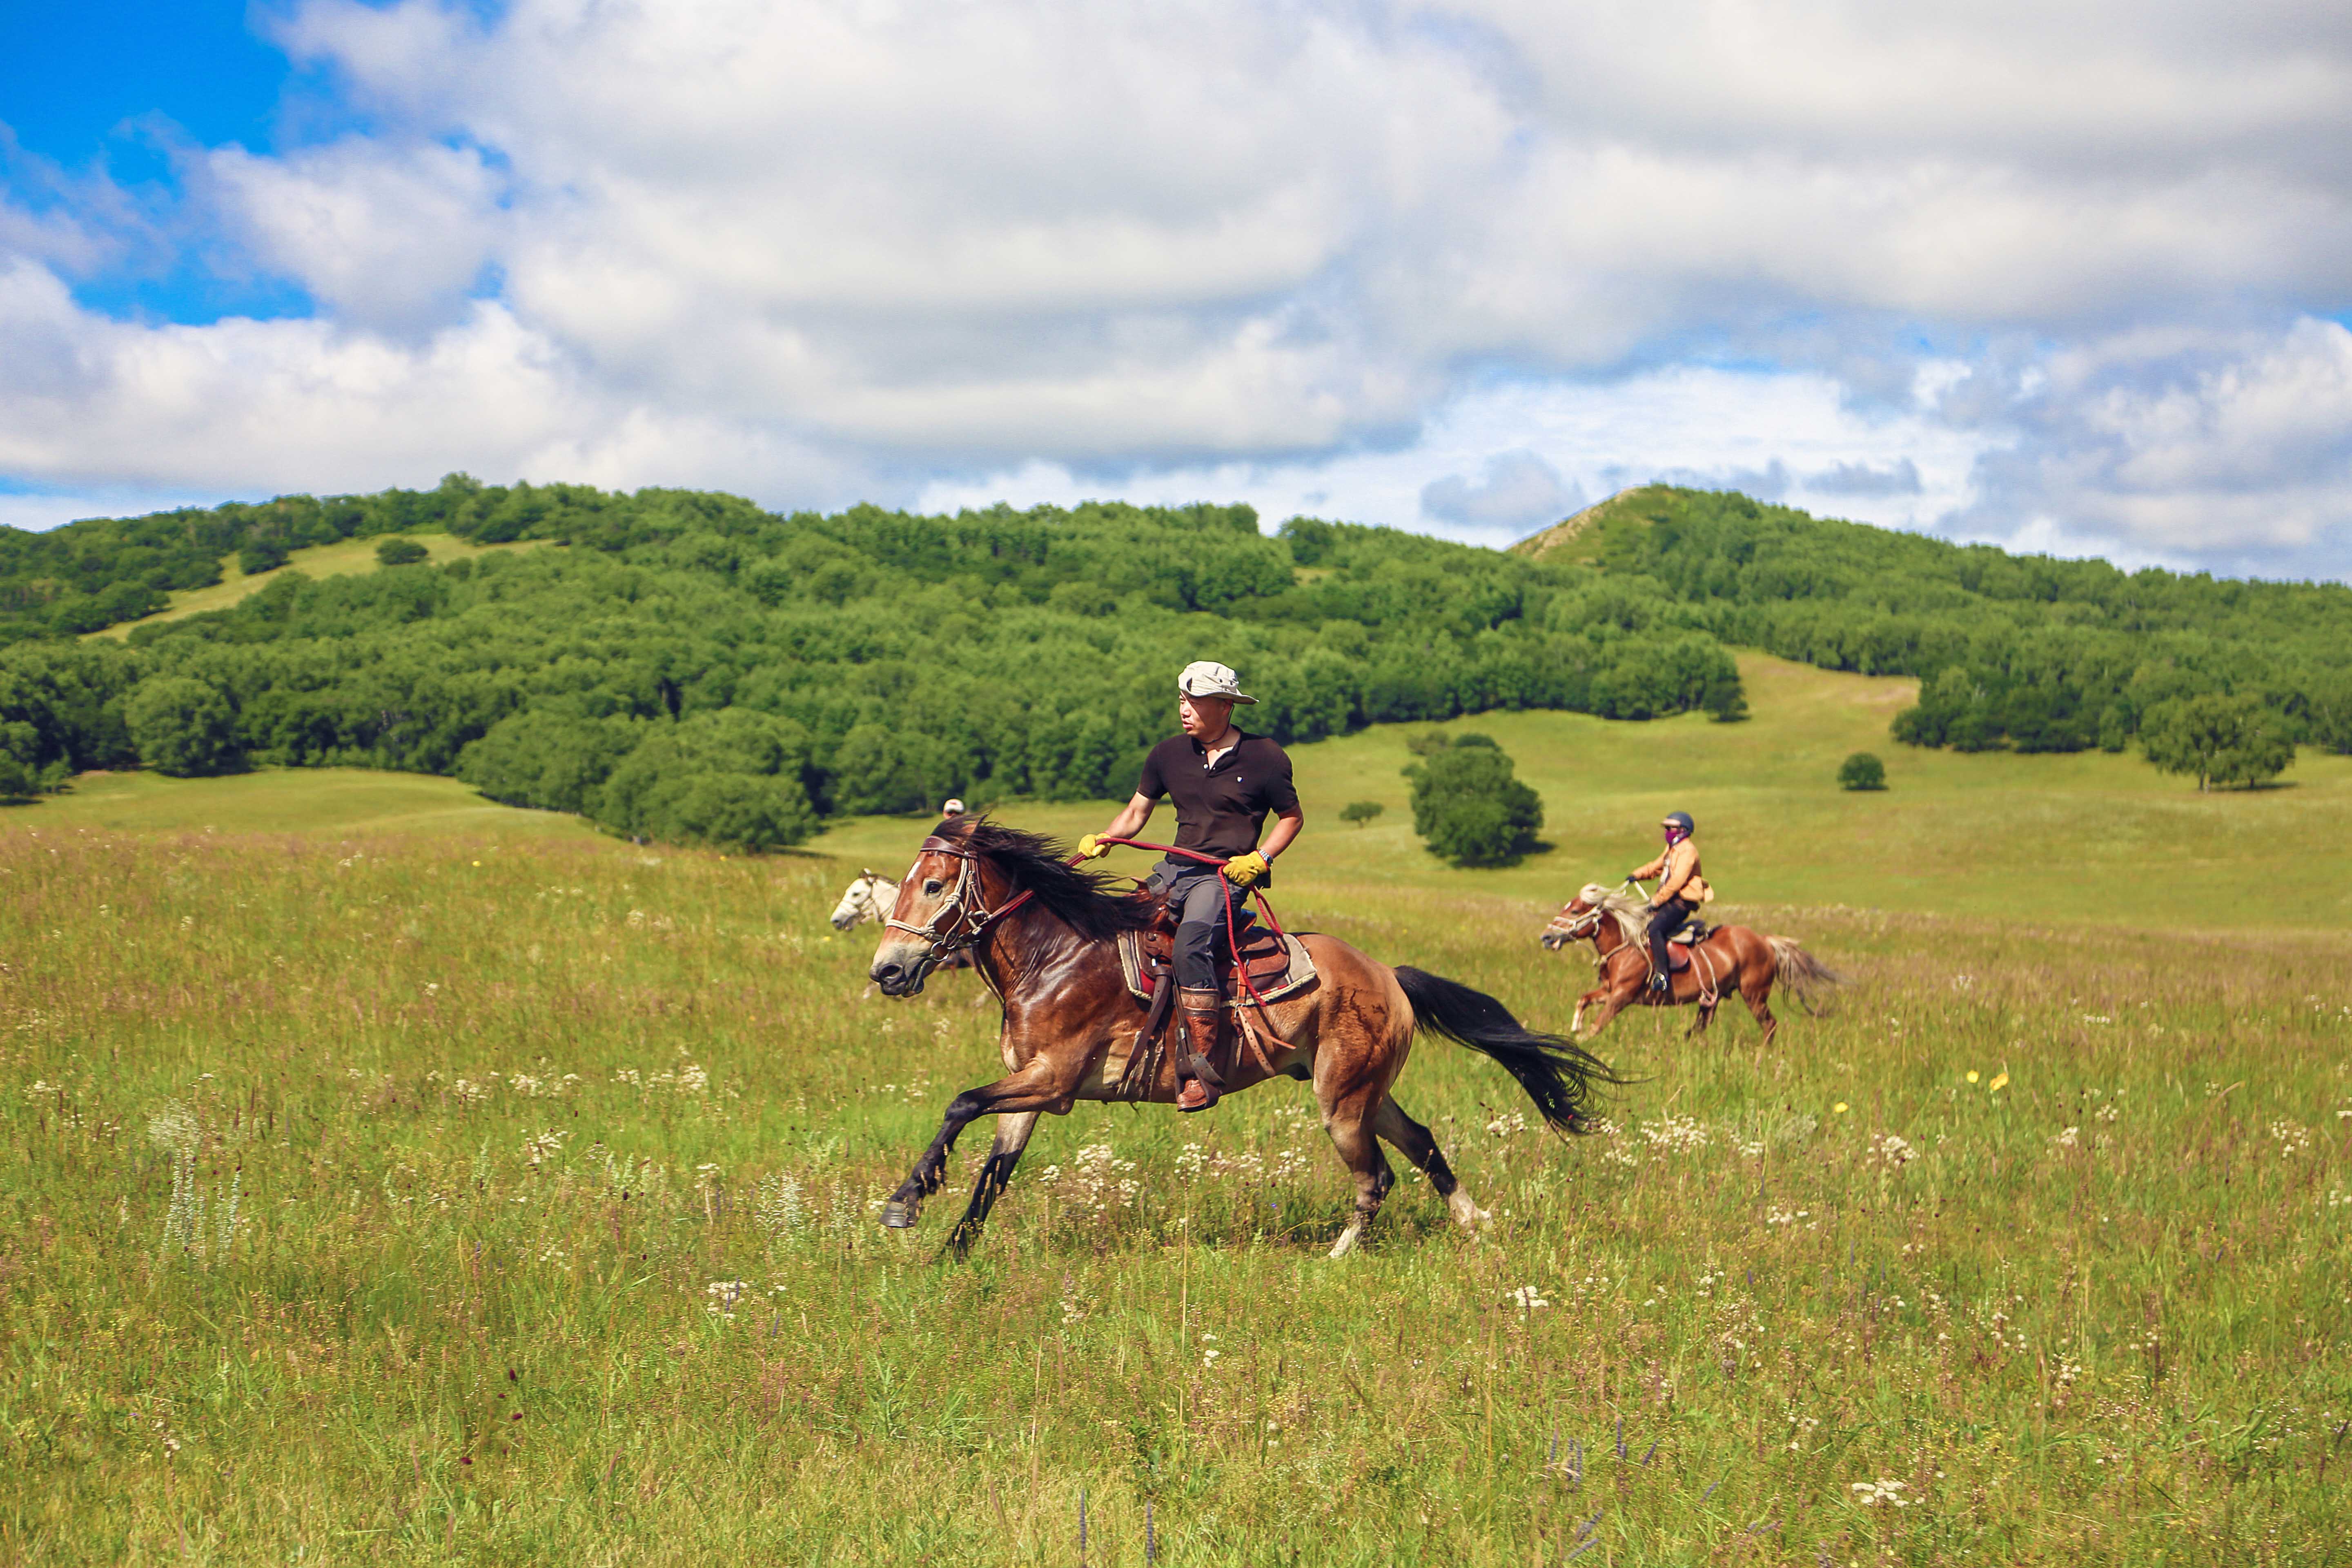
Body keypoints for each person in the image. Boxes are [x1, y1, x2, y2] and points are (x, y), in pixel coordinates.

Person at [1078, 661, 1303, 1111]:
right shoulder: (1167, 755)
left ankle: (1202, 1065)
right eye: (1182, 700)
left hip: (1223, 875)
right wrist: (1105, 839)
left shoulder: (1267, 758)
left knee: (1191, 945)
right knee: (1115, 929)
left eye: (1195, 701)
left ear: (1225, 706)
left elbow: (1292, 818)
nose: (1185, 709)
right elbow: (1136, 813)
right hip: (1174, 871)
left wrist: (1261, 859)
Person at [1629, 811, 1712, 993]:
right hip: (1669, 900)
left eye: (1670, 828)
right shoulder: (1672, 849)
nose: (1667, 832)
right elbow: (1656, 866)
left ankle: (1663, 975)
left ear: (1683, 830)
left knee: (1655, 929)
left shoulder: (1688, 852)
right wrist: (1637, 875)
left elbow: (1676, 883)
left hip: (1681, 903)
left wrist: (1655, 902)